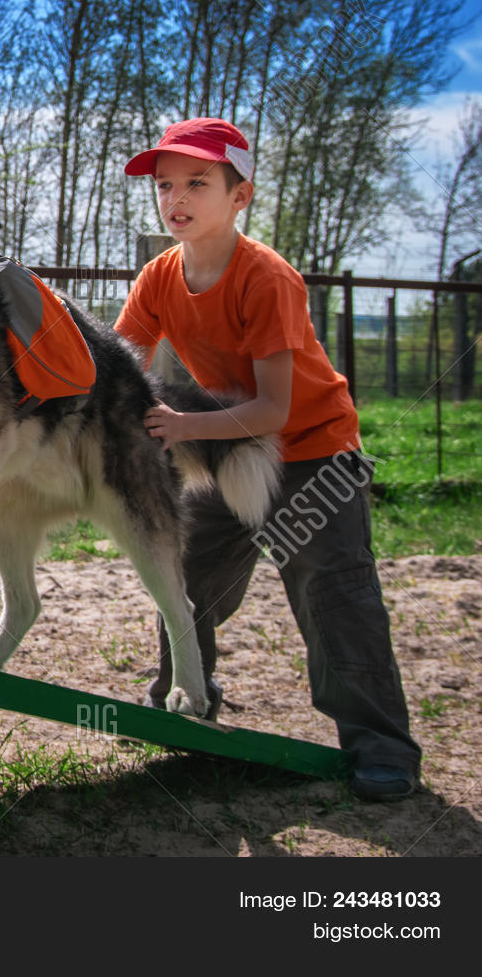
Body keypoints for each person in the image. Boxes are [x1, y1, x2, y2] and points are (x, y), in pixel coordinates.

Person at [114, 116, 421, 802]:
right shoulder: (160, 276)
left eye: (198, 182)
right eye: (165, 186)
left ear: (240, 195)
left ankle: (382, 747)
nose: (176, 199)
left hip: (313, 453)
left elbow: (275, 410)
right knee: (185, 569)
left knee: (331, 593)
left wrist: (183, 423)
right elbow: (119, 362)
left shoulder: (266, 277)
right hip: (228, 455)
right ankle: (186, 697)